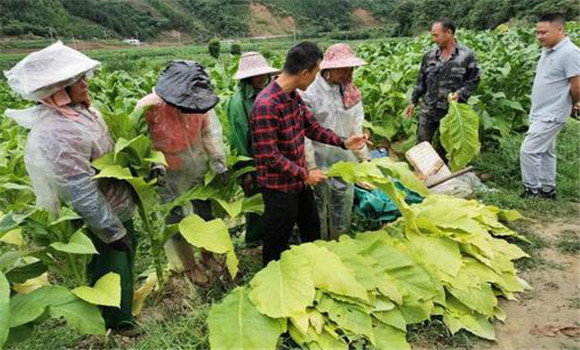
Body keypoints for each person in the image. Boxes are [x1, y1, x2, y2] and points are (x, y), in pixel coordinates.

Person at [4, 42, 138, 334]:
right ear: (57, 89)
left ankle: (121, 314)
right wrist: (110, 229)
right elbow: (79, 189)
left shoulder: (85, 114)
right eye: (77, 80)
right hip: (101, 217)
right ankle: (116, 323)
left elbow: (112, 155)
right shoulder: (58, 130)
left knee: (123, 265)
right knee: (111, 268)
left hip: (117, 205)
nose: (85, 83)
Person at [251, 41, 369, 266]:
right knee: (277, 238)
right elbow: (270, 155)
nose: (316, 79)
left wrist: (345, 142)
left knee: (311, 228)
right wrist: (305, 174)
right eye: (316, 73)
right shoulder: (266, 104)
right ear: (304, 72)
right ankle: (271, 278)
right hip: (279, 187)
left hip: (298, 180)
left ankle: (314, 269)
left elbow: (312, 128)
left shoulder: (293, 96)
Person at [136, 60, 228, 285]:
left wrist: (217, 160)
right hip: (166, 173)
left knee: (205, 214)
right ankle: (189, 265)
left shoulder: (200, 102)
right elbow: (140, 141)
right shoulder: (148, 107)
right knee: (176, 221)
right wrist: (153, 165)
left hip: (197, 166)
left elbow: (208, 132)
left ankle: (208, 255)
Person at [302, 43, 370, 240]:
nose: (349, 72)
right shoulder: (310, 92)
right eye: (344, 67)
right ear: (329, 68)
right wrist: (310, 165)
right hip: (318, 158)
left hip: (344, 158)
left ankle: (341, 242)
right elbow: (305, 132)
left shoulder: (350, 91)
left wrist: (364, 158)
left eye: (351, 67)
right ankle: (320, 245)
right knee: (318, 205)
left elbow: (356, 126)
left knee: (342, 202)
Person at [520, 13, 580, 199]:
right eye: (537, 32)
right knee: (546, 152)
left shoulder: (570, 53)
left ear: (560, 29)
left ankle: (532, 190)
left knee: (528, 150)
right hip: (540, 111)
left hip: (552, 113)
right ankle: (547, 189)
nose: (539, 36)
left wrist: (573, 104)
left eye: (544, 32)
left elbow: (577, 85)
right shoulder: (549, 50)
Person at [405, 17, 481, 160]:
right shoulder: (429, 56)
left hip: (450, 113)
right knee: (421, 145)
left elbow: (474, 80)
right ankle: (420, 177)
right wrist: (413, 101)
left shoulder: (467, 56)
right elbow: (421, 81)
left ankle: (440, 179)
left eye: (436, 35)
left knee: (444, 147)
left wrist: (460, 93)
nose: (433, 39)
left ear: (449, 33)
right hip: (428, 109)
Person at [227, 52, 280, 248]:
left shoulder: (269, 94)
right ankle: (254, 241)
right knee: (256, 202)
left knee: (272, 201)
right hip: (254, 160)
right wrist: (246, 171)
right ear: (247, 78)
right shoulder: (239, 102)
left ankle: (270, 236)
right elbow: (238, 138)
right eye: (255, 75)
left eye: (262, 74)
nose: (260, 78)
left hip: (272, 158)